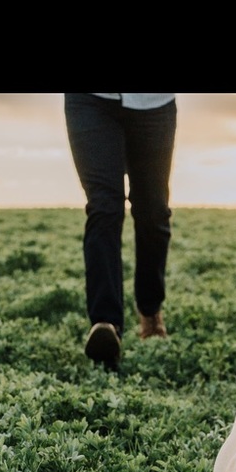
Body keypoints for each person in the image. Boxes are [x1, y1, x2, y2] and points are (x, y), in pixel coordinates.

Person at [64, 93, 177, 370]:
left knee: (153, 211)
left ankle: (150, 314)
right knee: (104, 207)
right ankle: (106, 325)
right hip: (90, 101)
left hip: (154, 103)